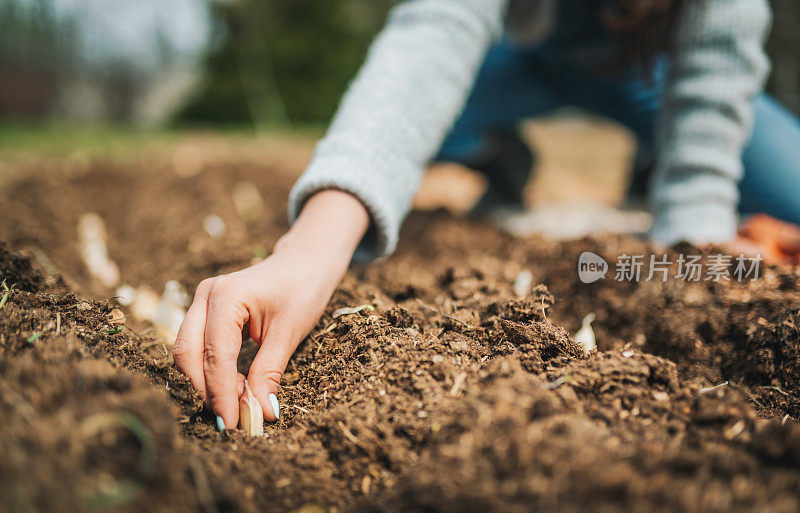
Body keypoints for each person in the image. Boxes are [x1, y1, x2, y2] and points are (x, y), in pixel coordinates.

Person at [173, 0, 800, 430]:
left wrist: (694, 228)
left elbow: (714, 88)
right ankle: (496, 153)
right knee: (396, 128)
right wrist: (308, 252)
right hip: (506, 62)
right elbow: (431, 42)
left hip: (650, 72)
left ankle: (649, 162)